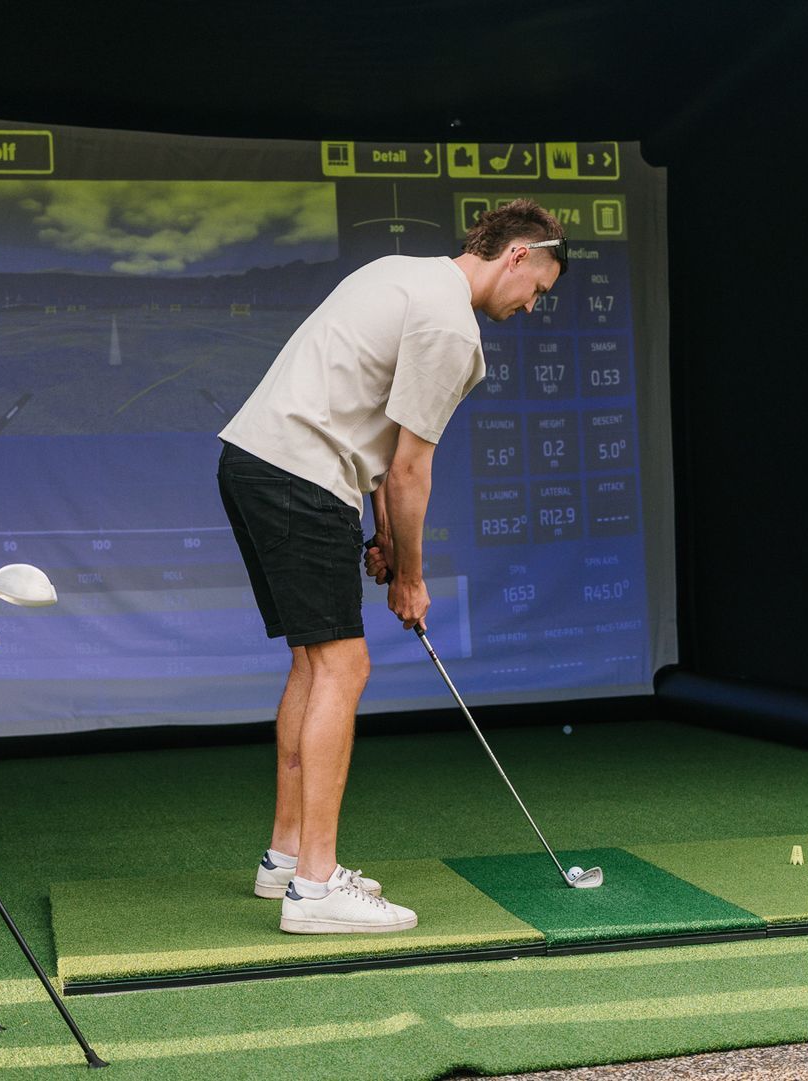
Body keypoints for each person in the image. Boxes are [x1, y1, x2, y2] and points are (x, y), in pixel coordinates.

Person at [218, 199, 566, 933]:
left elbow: (374, 431)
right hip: (302, 474)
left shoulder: (401, 272)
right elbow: (409, 470)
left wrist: (384, 536)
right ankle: (316, 889)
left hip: (254, 462)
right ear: (518, 256)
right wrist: (409, 575)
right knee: (344, 667)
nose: (533, 306)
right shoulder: (452, 327)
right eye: (538, 288)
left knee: (314, 662)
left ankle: (286, 857)